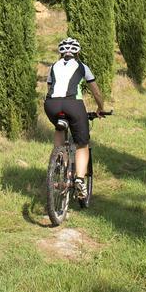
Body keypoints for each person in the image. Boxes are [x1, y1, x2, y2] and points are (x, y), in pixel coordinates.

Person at [41, 37, 106, 201]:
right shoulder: (82, 67)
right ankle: (79, 180)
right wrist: (100, 108)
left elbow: (50, 88)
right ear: (77, 52)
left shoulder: (53, 67)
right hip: (73, 105)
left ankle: (59, 164)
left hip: (51, 105)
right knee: (82, 143)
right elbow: (96, 92)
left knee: (59, 128)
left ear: (61, 52)